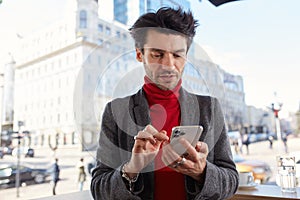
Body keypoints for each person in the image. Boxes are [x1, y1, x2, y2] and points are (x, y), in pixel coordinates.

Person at [91, 7, 239, 200]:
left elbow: (231, 180)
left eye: (177, 55)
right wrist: (132, 169)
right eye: (157, 54)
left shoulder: (209, 108)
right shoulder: (115, 110)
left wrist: (201, 172)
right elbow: (99, 189)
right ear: (139, 54)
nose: (169, 65)